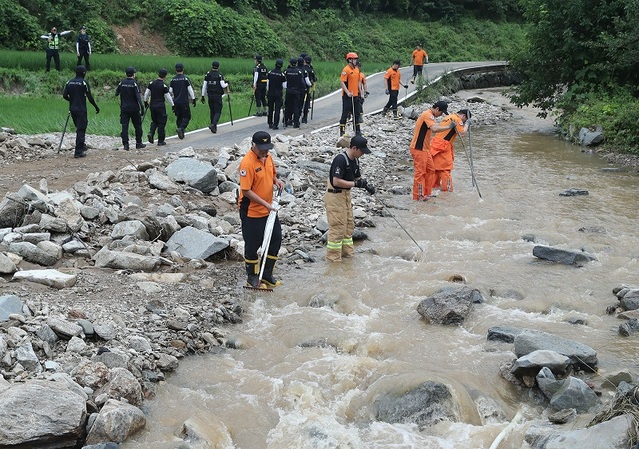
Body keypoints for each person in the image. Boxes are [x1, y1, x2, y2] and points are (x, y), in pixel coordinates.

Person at [238, 131, 286, 288]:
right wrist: (264, 204)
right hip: (252, 211)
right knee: (253, 244)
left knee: (275, 240)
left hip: (269, 209)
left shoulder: (268, 157)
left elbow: (271, 174)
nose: (265, 152)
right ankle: (252, 276)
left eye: (267, 148)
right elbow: (246, 191)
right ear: (253, 145)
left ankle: (266, 275)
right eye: (261, 149)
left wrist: (276, 181)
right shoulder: (247, 163)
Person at [324, 135, 376, 262]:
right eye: (362, 151)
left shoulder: (355, 160)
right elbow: (336, 181)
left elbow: (357, 178)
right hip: (335, 196)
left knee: (348, 225)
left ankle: (348, 256)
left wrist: (365, 185)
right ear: (354, 148)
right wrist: (355, 184)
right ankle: (333, 259)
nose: (363, 154)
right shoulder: (340, 160)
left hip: (345, 196)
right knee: (338, 227)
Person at [409, 101, 451, 200]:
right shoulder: (428, 115)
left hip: (425, 149)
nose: (440, 115)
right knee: (420, 173)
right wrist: (449, 127)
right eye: (441, 113)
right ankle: (418, 196)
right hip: (419, 149)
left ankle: (426, 193)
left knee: (431, 170)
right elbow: (434, 129)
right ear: (437, 109)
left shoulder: (429, 115)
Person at [62, 65, 100, 158]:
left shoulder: (69, 82)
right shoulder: (84, 83)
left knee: (78, 127)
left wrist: (72, 100)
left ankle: (81, 145)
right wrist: (96, 106)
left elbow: (64, 95)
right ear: (84, 73)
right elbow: (89, 97)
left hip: (72, 109)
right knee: (81, 129)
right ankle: (78, 152)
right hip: (81, 110)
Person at [430, 109, 471, 192]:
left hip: (435, 144)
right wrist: (467, 124)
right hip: (443, 146)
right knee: (445, 170)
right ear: (463, 116)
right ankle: (447, 191)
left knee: (436, 169)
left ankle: (433, 187)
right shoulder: (457, 120)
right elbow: (462, 133)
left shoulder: (448, 117)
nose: (463, 122)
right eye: (465, 120)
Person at [115, 66, 145, 151]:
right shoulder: (135, 83)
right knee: (138, 126)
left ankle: (126, 145)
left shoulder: (122, 83)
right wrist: (142, 107)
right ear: (133, 74)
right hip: (134, 108)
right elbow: (138, 97)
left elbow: (116, 94)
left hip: (124, 108)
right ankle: (138, 143)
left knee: (125, 126)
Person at [144, 68, 174, 146]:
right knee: (161, 123)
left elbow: (146, 93)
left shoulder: (151, 83)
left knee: (154, 121)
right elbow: (168, 97)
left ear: (158, 74)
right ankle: (160, 141)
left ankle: (151, 133)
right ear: (165, 76)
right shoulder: (163, 85)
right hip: (160, 106)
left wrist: (145, 102)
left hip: (152, 106)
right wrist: (173, 105)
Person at [169, 63, 196, 139]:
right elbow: (190, 90)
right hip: (184, 101)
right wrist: (193, 99)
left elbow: (170, 91)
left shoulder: (173, 79)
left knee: (179, 117)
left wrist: (172, 100)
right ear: (183, 69)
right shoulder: (185, 79)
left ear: (176, 69)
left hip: (176, 102)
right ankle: (181, 129)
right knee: (187, 116)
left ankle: (180, 132)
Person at [201, 60, 228, 134]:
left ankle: (213, 127)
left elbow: (204, 85)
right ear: (218, 67)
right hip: (217, 95)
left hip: (210, 95)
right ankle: (213, 124)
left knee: (212, 110)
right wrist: (227, 83)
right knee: (218, 111)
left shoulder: (208, 74)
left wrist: (202, 95)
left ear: (212, 66)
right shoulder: (219, 75)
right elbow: (223, 85)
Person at [339, 52, 362, 136]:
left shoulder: (356, 69)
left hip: (355, 95)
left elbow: (358, 82)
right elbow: (342, 82)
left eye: (356, 59)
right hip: (347, 96)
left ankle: (357, 131)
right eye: (354, 59)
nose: (356, 61)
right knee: (345, 113)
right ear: (349, 60)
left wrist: (360, 92)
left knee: (356, 113)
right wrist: (347, 92)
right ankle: (342, 131)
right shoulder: (346, 70)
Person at [283, 58, 305, 128]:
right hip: (297, 91)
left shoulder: (286, 71)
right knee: (296, 107)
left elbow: (284, 81)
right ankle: (296, 122)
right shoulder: (299, 72)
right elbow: (302, 82)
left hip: (289, 91)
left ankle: (285, 121)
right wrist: (304, 88)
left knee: (287, 106)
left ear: (290, 63)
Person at [266, 59, 286, 130]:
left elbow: (267, 85)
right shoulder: (282, 75)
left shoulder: (270, 72)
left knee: (270, 109)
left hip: (270, 93)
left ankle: (270, 123)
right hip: (278, 94)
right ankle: (275, 125)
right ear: (281, 66)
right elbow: (284, 86)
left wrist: (268, 91)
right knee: (277, 109)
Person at [301, 55, 316, 124]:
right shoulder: (311, 70)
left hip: (300, 88)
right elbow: (314, 79)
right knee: (306, 103)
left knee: (299, 103)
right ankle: (304, 118)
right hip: (307, 88)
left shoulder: (301, 68)